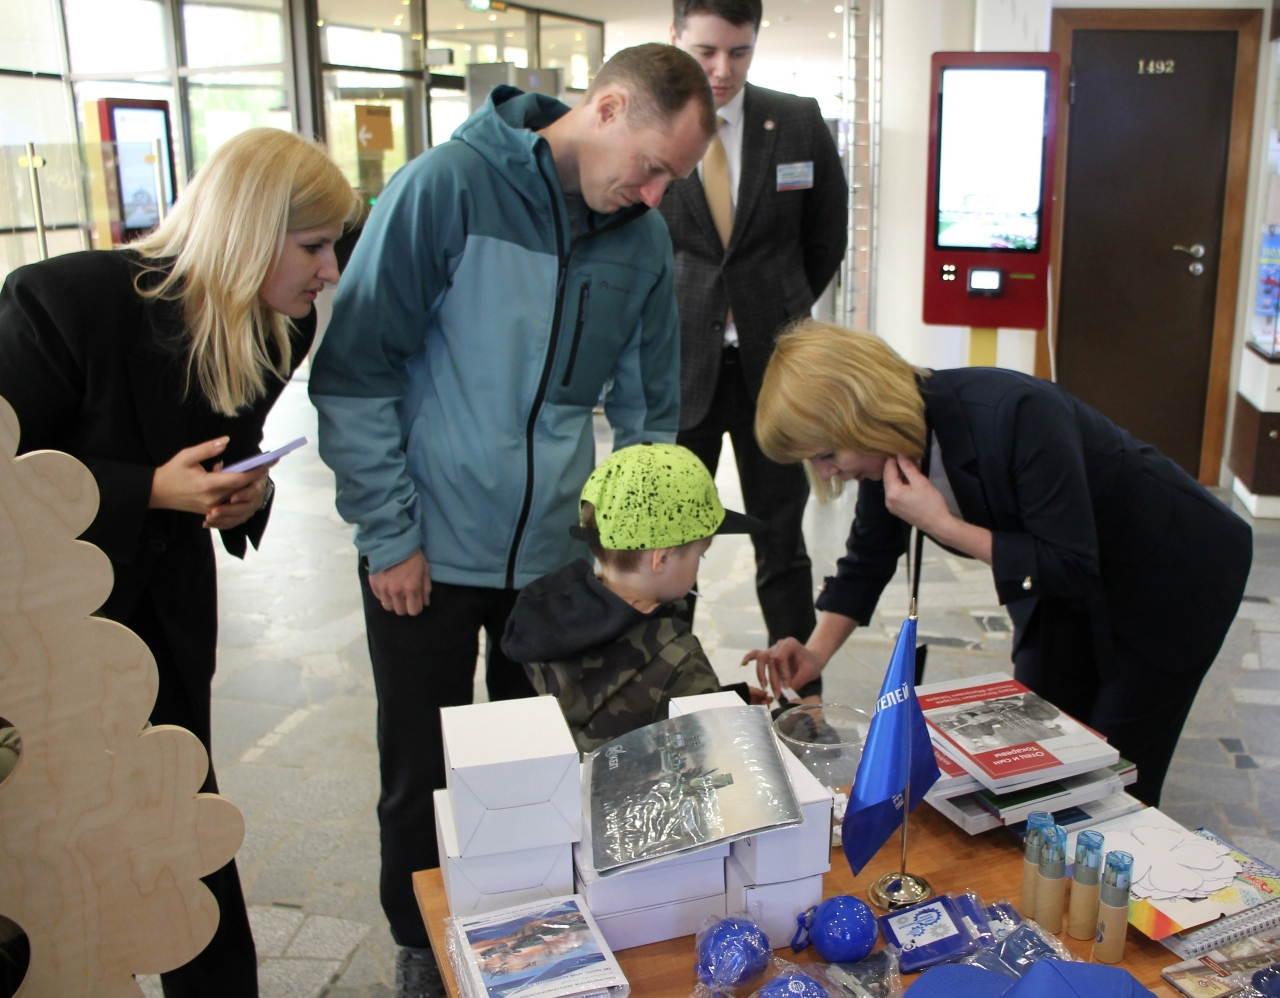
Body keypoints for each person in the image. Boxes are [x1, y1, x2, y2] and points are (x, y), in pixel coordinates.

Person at [308, 44, 716, 997]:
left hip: (555, 562)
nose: (657, 195)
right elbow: (357, 372)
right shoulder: (445, 188)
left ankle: (539, 941)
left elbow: (650, 414)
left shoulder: (642, 241)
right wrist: (388, 534)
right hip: (427, 552)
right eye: (652, 167)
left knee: (553, 765)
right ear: (605, 108)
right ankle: (420, 949)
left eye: (675, 180)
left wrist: (635, 556)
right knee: (424, 771)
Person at [0, 127, 359, 997]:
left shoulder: (279, 328)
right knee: (59, 841)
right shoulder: (64, 301)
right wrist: (148, 490)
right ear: (248, 228)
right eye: (314, 246)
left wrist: (248, 496)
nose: (329, 273)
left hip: (164, 619)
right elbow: (11, 482)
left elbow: (229, 456)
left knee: (181, 817)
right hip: (44, 632)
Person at [745, 321, 1251, 806]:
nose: (826, 473)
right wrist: (815, 655)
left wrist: (944, 525)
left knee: (1115, 772)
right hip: (1062, 589)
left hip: (1170, 574)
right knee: (1037, 750)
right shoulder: (886, 456)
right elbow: (866, 562)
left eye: (827, 454)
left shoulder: (1015, 411)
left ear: (862, 413)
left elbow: (1070, 561)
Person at [661, 0, 847, 684]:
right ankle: (667, 686)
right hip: (683, 363)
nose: (721, 69)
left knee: (780, 535)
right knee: (670, 536)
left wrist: (780, 303)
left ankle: (800, 692)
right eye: (706, 51)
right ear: (676, 36)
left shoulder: (794, 119)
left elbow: (826, 235)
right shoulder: (657, 118)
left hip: (776, 365)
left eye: (739, 52)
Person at [501, 443, 767, 752]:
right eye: (700, 555)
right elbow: (713, 750)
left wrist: (722, 697)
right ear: (662, 559)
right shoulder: (679, 660)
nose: (698, 566)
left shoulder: (541, 612)